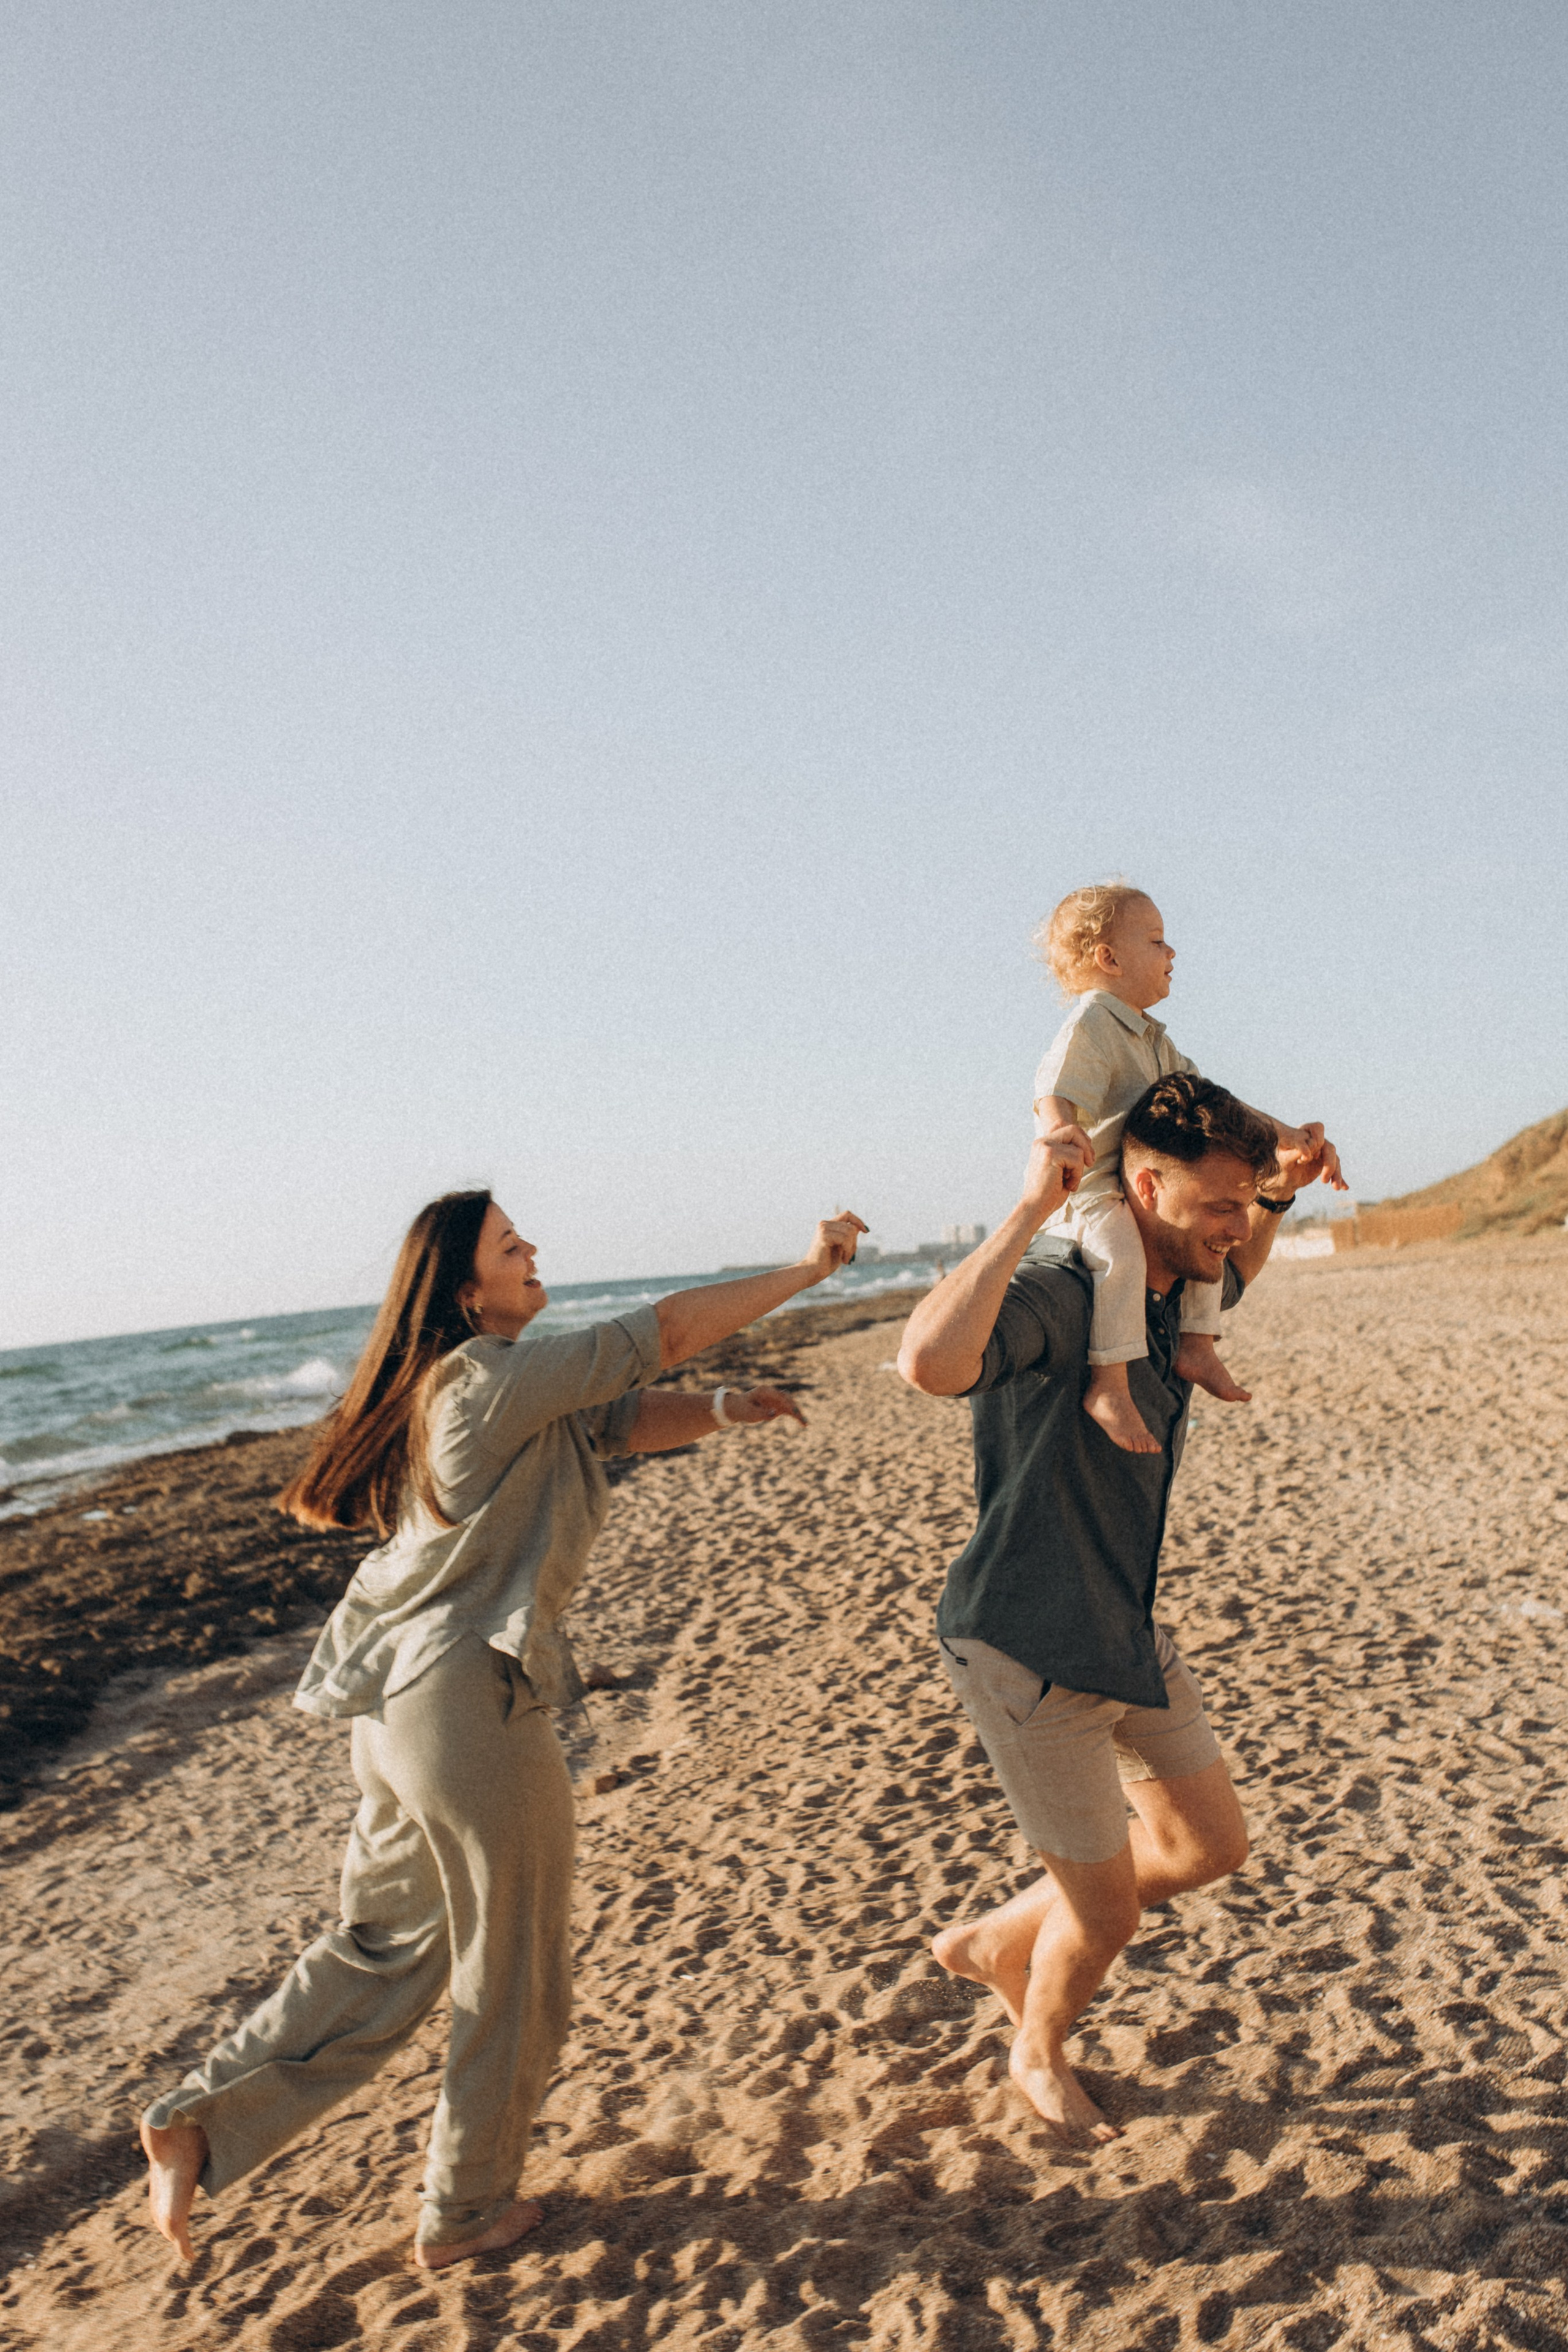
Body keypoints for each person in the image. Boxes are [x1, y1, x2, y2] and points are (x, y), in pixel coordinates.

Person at [141, 1188, 867, 2267]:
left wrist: (724, 1409)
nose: (534, 1255)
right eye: (510, 1247)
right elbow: (657, 1335)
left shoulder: (483, 1386)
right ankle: (465, 2207)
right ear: (465, 1288)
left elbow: (621, 1419)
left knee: (387, 1947)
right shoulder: (483, 1377)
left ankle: (198, 2116)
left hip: (400, 1710)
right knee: (513, 1968)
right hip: (468, 1705)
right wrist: (810, 1270)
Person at [898, 1074, 1339, 2143]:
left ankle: (1002, 1938)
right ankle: (1036, 2050)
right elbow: (928, 1361)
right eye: (1219, 1208)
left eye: (1247, 1209)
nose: (1236, 1235)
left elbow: (1236, 1260)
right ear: (1143, 1184)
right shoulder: (1064, 1289)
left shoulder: (1167, 1289)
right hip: (1024, 1642)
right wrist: (1025, 1215)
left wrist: (1274, 1200)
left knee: (1208, 1846)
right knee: (1108, 1911)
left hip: (1124, 1627)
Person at [1031, 881, 1345, 1453]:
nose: (1172, 953)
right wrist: (1058, 1132)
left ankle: (1197, 1345)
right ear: (1109, 958)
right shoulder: (1093, 1024)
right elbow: (1053, 1089)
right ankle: (1109, 1384)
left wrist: (1288, 1135)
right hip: (1101, 1188)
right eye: (1157, 941)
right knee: (1121, 1256)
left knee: (1199, 1248)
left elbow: (1222, 1102)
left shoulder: (1154, 1038)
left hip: (1156, 1192)